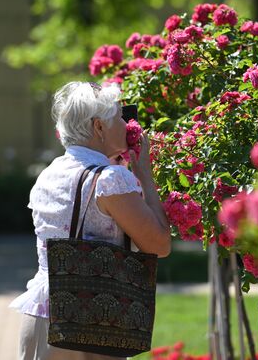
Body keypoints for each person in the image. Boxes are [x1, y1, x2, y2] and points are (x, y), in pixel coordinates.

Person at [9, 81, 171, 360]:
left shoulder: (49, 173)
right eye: (120, 116)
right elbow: (159, 245)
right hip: (91, 323)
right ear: (99, 127)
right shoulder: (110, 179)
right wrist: (144, 174)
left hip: (42, 313)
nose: (127, 123)